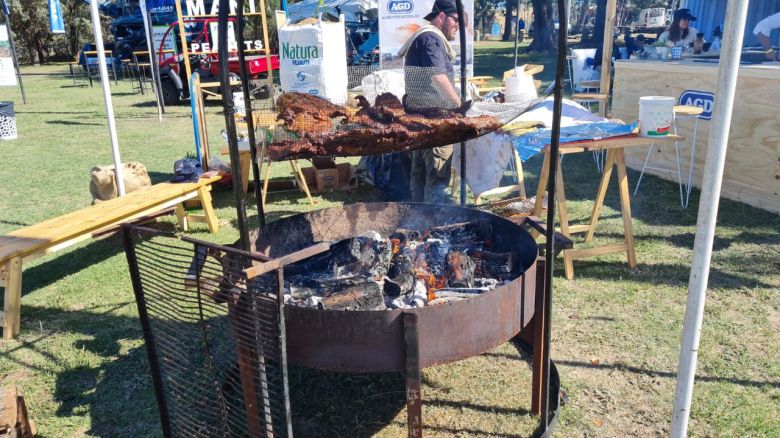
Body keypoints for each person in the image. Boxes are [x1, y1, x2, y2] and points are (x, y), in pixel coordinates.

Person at [398, 0, 462, 203]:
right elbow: (438, 77)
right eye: (455, 20)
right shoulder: (431, 39)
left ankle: (419, 220)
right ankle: (433, 224)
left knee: (419, 175)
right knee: (435, 177)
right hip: (434, 124)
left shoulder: (425, 37)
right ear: (441, 16)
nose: (457, 26)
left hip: (420, 120)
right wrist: (459, 106)